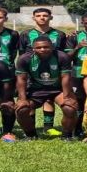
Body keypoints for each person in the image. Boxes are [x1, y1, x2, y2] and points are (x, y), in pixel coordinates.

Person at [15, 36, 77, 141]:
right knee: (22, 110)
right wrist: (22, 99)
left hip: (57, 90)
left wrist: (67, 97)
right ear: (33, 48)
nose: (43, 49)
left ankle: (67, 136)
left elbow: (65, 78)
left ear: (52, 46)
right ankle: (31, 135)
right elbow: (21, 80)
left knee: (69, 108)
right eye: (39, 47)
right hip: (35, 90)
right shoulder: (24, 59)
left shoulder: (62, 57)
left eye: (46, 47)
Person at [19, 7, 68, 136]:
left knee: (49, 98)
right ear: (33, 18)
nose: (42, 18)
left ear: (50, 17)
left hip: (53, 71)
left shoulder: (60, 34)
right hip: (32, 71)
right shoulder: (25, 34)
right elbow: (22, 54)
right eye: (39, 15)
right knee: (31, 99)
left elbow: (63, 53)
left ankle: (48, 128)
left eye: (45, 15)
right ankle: (31, 128)